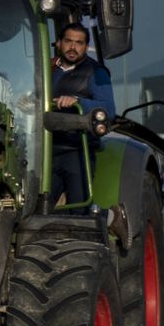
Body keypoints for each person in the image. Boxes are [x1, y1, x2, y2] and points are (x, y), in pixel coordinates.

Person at [50, 22, 116, 206]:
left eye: (79, 43)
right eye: (68, 41)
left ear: (86, 47)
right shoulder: (46, 69)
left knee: (79, 206)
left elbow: (108, 110)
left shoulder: (96, 73)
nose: (73, 47)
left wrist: (78, 101)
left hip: (77, 151)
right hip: (45, 149)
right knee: (37, 207)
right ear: (58, 43)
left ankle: (110, 218)